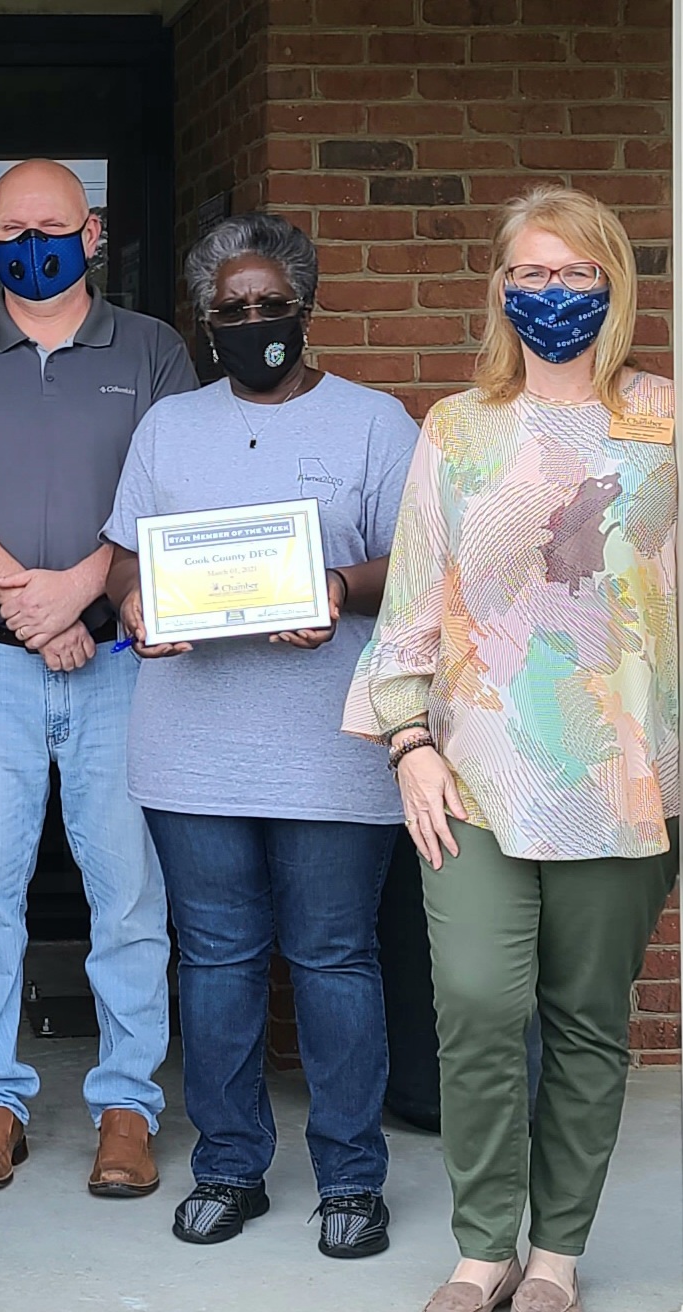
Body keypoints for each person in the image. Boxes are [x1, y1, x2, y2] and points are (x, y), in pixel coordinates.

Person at [345, 185, 679, 1312]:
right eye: (530, 273)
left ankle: (554, 1254)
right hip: (475, 772)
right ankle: (482, 1244)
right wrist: (405, 743)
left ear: (613, 286)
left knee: (585, 1018)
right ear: (498, 288)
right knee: (479, 1003)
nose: (552, 293)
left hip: (622, 773)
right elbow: (411, 599)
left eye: (576, 273)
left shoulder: (663, 419)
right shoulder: (456, 427)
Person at [101, 213, 417, 1256]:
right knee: (216, 961)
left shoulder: (373, 423)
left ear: (304, 305)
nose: (251, 321)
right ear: (204, 320)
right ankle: (228, 1165)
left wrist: (336, 585)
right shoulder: (168, 427)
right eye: (229, 308)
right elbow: (123, 558)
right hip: (189, 748)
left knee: (332, 958)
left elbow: (422, 564)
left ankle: (350, 1179)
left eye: (269, 303)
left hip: (332, 744)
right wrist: (135, 602)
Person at [0, 159, 196, 1196]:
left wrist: (78, 592)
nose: (32, 246)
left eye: (51, 228)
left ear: (91, 232)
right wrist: (33, 604)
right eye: (11, 231)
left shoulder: (151, 349)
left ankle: (126, 1107)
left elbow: (171, 497)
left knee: (130, 895)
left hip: (117, 664)